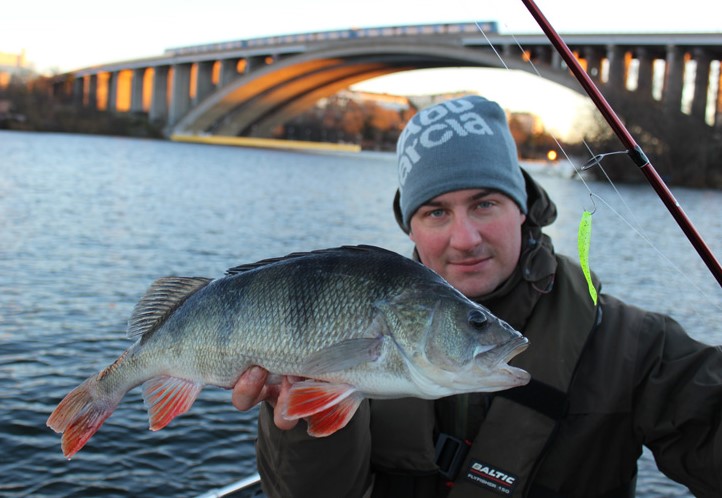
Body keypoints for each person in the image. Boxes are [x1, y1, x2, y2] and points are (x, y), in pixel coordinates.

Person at [231, 95, 722, 498]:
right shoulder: (346, 328)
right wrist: (297, 423)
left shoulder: (637, 346)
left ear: (525, 209)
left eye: (485, 203)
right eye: (436, 212)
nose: (464, 238)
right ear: (412, 227)